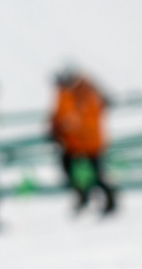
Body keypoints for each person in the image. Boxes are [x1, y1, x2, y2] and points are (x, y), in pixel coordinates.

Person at [49, 68, 117, 215]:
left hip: (87, 143)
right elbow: (58, 115)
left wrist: (64, 128)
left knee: (95, 174)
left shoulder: (85, 93)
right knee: (72, 170)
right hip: (74, 143)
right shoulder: (66, 94)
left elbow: (80, 120)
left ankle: (108, 199)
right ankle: (84, 196)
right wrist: (55, 129)